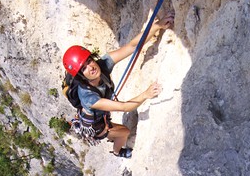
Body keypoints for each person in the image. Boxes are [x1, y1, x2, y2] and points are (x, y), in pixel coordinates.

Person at [62, 12, 175, 157]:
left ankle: (116, 146)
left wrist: (156, 27)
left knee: (122, 132)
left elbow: (131, 47)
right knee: (124, 133)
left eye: (89, 61)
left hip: (98, 115)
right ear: (80, 76)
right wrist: (146, 94)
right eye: (83, 68)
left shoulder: (102, 65)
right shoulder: (88, 97)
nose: (90, 67)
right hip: (95, 127)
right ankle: (117, 152)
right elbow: (123, 107)